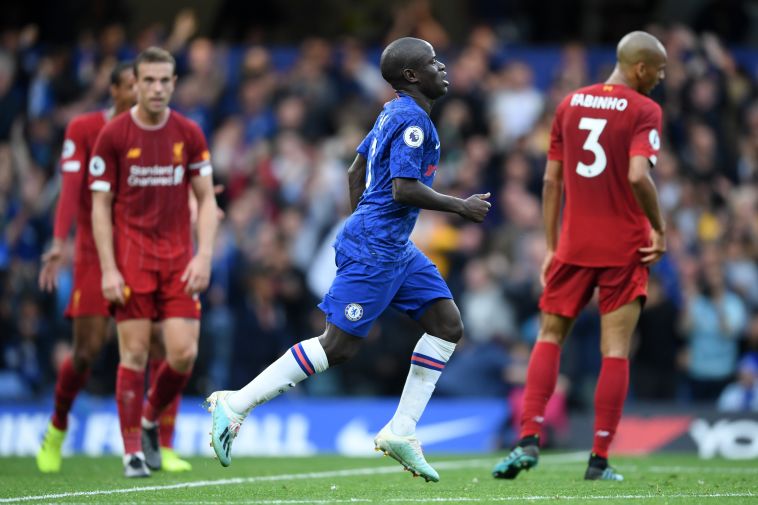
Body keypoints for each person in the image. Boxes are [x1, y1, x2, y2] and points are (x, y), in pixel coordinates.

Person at [204, 37, 490, 483]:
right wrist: (461, 206)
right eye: (433, 62)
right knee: (338, 346)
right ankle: (235, 403)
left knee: (447, 324)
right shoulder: (413, 121)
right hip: (377, 246)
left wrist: (363, 220)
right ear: (412, 76)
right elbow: (403, 188)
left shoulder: (391, 112)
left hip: (391, 244)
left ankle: (401, 430)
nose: (443, 67)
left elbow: (356, 170)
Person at [492, 30, 667, 482]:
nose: (662, 78)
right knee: (615, 349)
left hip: (572, 242)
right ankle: (599, 459)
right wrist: (659, 228)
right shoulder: (646, 109)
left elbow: (552, 182)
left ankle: (528, 436)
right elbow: (637, 175)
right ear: (641, 68)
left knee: (549, 337)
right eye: (659, 70)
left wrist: (551, 245)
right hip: (624, 245)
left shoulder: (569, 104)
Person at [35, 62, 191, 474]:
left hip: (142, 252)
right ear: (119, 90)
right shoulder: (85, 129)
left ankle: (162, 441)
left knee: (162, 346)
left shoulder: (156, 133)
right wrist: (58, 241)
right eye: (130, 86)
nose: (139, 93)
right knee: (86, 351)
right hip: (93, 251)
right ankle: (57, 425)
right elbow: (71, 190)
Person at [89, 46, 219, 477]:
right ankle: (131, 453)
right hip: (132, 263)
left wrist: (203, 256)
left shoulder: (190, 133)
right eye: (149, 80)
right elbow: (99, 206)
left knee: (183, 355)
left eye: (165, 80)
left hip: (180, 261)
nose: (158, 88)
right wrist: (108, 268)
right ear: (136, 84)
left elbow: (205, 199)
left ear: (174, 83)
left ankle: (148, 421)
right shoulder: (113, 136)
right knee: (136, 354)